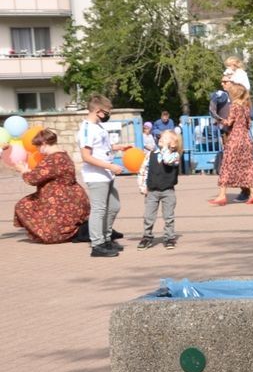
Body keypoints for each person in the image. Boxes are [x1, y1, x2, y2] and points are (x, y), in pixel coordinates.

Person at [11, 129, 90, 244]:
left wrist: (23, 170)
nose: (37, 150)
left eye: (37, 147)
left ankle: (76, 231)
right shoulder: (62, 154)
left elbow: (32, 179)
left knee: (24, 206)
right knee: (27, 204)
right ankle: (76, 230)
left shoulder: (53, 159)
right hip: (70, 198)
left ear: (43, 144)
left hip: (62, 201)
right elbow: (42, 174)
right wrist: (28, 171)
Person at [78, 94, 132, 257]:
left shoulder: (98, 126)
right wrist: (110, 166)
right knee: (99, 209)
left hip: (106, 175)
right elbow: (86, 156)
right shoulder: (86, 129)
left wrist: (119, 147)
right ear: (98, 111)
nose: (108, 114)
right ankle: (97, 244)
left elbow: (103, 147)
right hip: (96, 176)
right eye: (107, 111)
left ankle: (106, 238)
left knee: (113, 207)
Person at [209, 83, 253, 206]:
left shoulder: (234, 106)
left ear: (235, 93)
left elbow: (229, 122)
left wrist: (219, 120)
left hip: (234, 139)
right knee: (247, 167)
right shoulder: (246, 107)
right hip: (245, 140)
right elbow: (248, 124)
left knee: (227, 166)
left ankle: (221, 195)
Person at [138, 130, 182, 250]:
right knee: (148, 215)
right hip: (152, 190)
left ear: (173, 144)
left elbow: (167, 160)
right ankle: (147, 236)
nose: (161, 138)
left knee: (168, 216)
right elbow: (143, 169)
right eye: (160, 137)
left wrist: (166, 149)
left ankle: (169, 237)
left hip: (168, 190)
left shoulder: (175, 155)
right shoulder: (151, 154)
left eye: (165, 137)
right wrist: (142, 185)